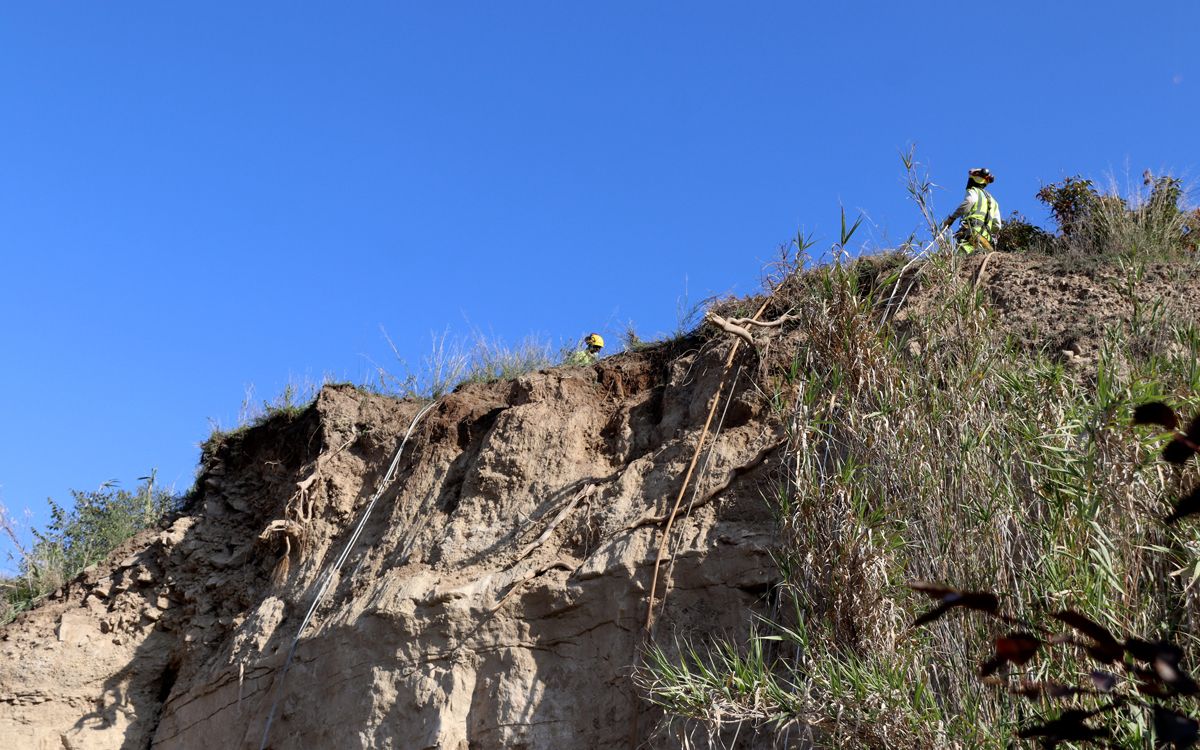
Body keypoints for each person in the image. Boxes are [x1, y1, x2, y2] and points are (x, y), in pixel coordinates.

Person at [941, 167, 1001, 253]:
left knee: (961, 258)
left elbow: (969, 201)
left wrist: (952, 218)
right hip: (986, 239)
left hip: (971, 233)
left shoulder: (973, 191)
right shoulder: (994, 202)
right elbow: (997, 226)